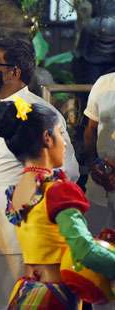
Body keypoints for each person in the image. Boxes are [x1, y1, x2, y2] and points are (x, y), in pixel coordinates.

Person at [0, 37, 80, 310]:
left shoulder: (40, 112)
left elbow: (67, 169)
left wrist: (29, 211)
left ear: (15, 71)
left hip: (23, 235)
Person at [0, 99, 115, 309]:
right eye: (60, 132)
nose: (65, 142)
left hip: (27, 291)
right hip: (54, 296)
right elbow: (83, 250)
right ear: (47, 138)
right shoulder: (58, 190)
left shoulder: (20, 188)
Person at [83, 72, 115, 235]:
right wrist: (94, 164)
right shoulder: (104, 83)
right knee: (93, 240)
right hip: (100, 183)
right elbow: (91, 129)